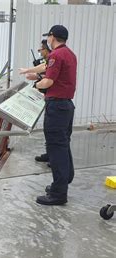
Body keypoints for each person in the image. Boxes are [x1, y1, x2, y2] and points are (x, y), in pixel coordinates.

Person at [33, 25, 77, 205]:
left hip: (57, 107)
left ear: (53, 37)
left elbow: (49, 81)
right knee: (63, 145)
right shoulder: (70, 54)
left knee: (55, 149)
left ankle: (59, 194)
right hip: (66, 105)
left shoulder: (56, 55)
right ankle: (63, 182)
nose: (47, 41)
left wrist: (36, 84)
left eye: (49, 37)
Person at [22, 40, 52, 164]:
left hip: (57, 101)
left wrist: (37, 83)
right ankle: (50, 154)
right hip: (49, 99)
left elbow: (49, 79)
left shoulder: (54, 59)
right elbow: (44, 70)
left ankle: (55, 159)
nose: (40, 51)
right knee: (49, 129)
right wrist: (33, 73)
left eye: (42, 49)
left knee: (56, 133)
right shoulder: (49, 61)